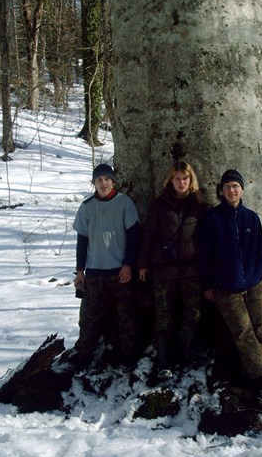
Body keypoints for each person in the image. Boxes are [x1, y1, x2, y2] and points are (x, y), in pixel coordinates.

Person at [199, 169, 262, 397]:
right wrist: (208, 285)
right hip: (226, 286)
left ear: (241, 189)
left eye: (235, 186)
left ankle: (253, 374)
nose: (232, 190)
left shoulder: (251, 217)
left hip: (254, 282)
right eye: (227, 186)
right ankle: (260, 378)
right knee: (243, 332)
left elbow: (261, 251)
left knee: (259, 330)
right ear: (221, 191)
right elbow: (205, 256)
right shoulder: (212, 219)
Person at [138, 160, 206, 379]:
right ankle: (164, 361)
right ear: (171, 180)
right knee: (163, 316)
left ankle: (187, 356)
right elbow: (148, 236)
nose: (181, 182)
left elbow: (205, 239)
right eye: (177, 178)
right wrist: (143, 265)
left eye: (185, 178)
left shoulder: (198, 204)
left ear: (191, 180)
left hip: (190, 270)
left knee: (192, 314)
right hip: (163, 269)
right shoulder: (160, 204)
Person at [71, 162, 141, 371]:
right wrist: (80, 271)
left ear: (113, 182)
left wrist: (129, 264)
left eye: (107, 179)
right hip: (94, 272)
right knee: (89, 317)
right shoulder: (87, 207)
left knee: (126, 316)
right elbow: (82, 240)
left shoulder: (124, 203)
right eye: (99, 180)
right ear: (94, 183)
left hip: (120, 271)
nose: (103, 183)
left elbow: (135, 236)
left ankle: (129, 356)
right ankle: (84, 355)